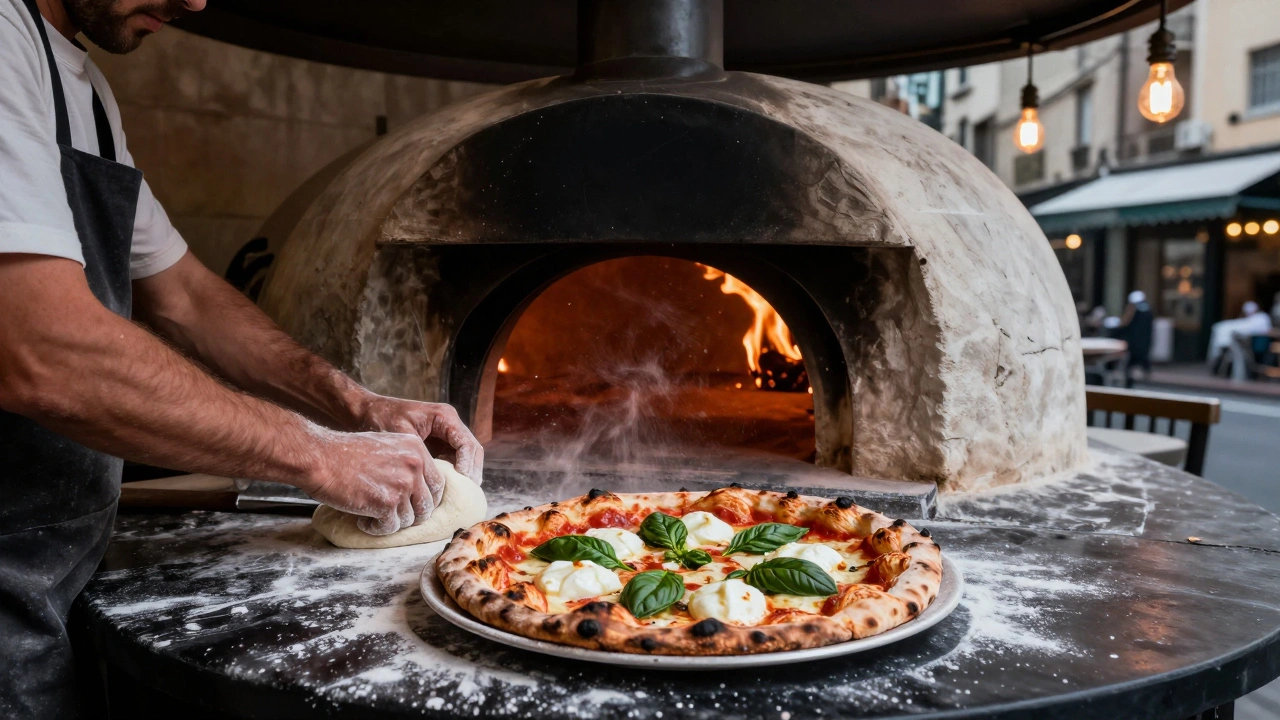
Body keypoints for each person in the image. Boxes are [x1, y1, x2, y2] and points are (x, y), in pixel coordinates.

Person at [0, 0, 484, 715]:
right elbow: (42, 352)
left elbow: (187, 298)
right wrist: (319, 456)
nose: (196, 0)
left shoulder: (87, 94)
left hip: (52, 573)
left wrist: (358, 408)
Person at [1110, 290, 1154, 386]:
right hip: (1143, 342)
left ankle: (1130, 382)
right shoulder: (1147, 310)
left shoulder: (1133, 309)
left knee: (1131, 363)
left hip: (1134, 342)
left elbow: (1125, 324)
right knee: (1141, 361)